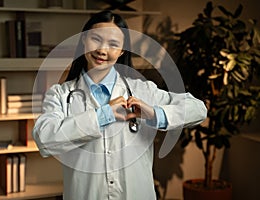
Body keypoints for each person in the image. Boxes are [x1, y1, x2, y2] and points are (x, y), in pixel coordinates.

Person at [32, 10, 207, 200]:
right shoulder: (61, 94)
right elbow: (45, 138)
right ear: (83, 40)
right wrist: (104, 115)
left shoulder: (142, 90)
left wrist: (154, 114)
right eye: (96, 40)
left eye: (113, 44)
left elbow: (198, 109)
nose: (102, 50)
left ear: (122, 50)